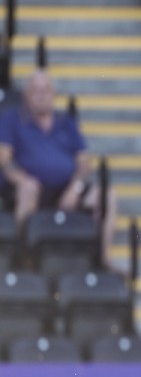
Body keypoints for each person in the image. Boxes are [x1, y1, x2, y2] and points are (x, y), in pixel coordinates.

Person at [0, 70, 117, 268]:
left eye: (45, 90)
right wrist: (22, 179)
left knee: (107, 196)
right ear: (26, 95)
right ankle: (24, 259)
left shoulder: (66, 122)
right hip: (29, 187)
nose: (41, 95)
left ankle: (102, 259)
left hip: (66, 189)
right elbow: (4, 159)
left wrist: (75, 188)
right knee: (28, 189)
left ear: (54, 95)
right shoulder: (12, 119)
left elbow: (84, 161)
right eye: (35, 90)